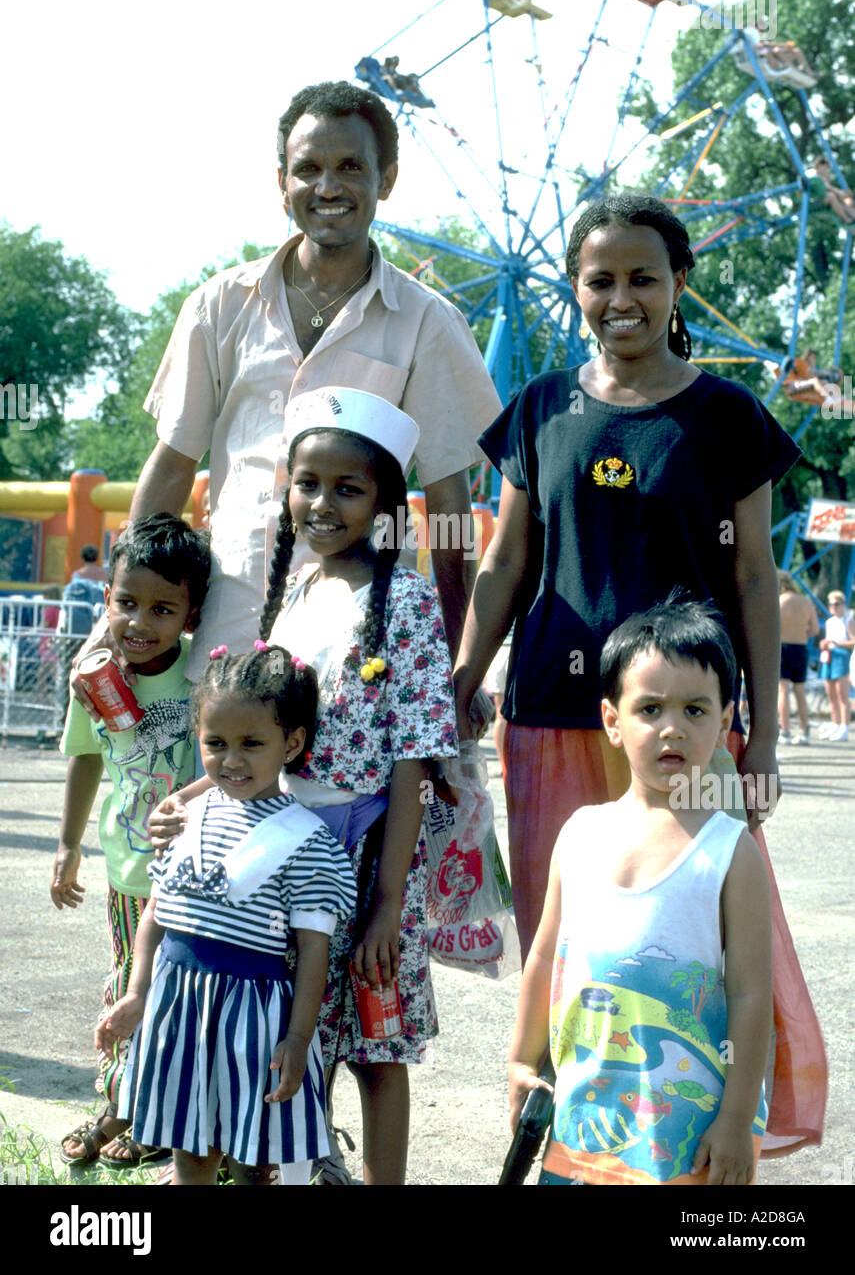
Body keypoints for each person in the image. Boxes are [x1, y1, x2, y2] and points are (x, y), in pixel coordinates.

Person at [454, 192, 825, 1152]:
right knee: (573, 935)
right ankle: (579, 1133)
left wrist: (763, 738)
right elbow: (501, 562)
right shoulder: (540, 408)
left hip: (689, 719)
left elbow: (751, 573)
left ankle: (711, 1131)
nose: (621, 297)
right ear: (575, 287)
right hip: (552, 709)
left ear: (676, 284)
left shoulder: (728, 416)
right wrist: (462, 677)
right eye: (600, 279)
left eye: (642, 277)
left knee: (702, 927)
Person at [152, 388, 458, 1184]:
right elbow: (264, 741)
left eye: (348, 489)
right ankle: (295, 1171)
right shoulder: (293, 594)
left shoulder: (409, 602)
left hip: (367, 856)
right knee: (289, 1028)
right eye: (308, 483)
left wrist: (389, 900)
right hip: (279, 855)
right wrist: (193, 803)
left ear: (385, 503)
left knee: (374, 1044)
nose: (323, 503)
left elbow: (414, 762)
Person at [115, 80, 501, 690]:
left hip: (360, 652)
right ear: (282, 184)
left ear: (387, 179)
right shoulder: (220, 306)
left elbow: (452, 511)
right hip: (229, 632)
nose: (328, 187)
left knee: (355, 791)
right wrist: (115, 624)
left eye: (350, 166)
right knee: (211, 787)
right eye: (308, 169)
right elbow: (171, 467)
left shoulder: (428, 323)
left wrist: (458, 673)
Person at [509, 599, 772, 1185]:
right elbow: (546, 957)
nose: (672, 727)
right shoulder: (578, 834)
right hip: (584, 1129)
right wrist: (521, 1062)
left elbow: (753, 997)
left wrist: (734, 1122)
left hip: (689, 1141)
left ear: (727, 719)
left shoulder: (731, 853)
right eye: (649, 708)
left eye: (695, 709)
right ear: (611, 719)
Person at [95, 645, 356, 1185]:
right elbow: (157, 915)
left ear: (293, 743)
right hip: (178, 1005)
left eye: (251, 744)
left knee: (252, 1156)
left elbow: (313, 950)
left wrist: (299, 1037)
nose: (231, 760)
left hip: (252, 1019)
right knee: (189, 1146)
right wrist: (138, 992)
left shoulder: (307, 841)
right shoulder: (186, 817)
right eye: (215, 743)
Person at [52, 514, 210, 1167]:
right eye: (126, 603)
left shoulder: (204, 686)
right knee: (127, 989)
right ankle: (127, 1107)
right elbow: (85, 761)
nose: (139, 623)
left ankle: (145, 1116)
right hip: (126, 877)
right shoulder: (95, 687)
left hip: (193, 879)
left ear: (191, 614)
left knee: (173, 998)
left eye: (161, 609)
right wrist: (67, 845)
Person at [777, 571, 819, 744]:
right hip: (800, 648)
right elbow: (815, 630)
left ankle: (785, 731)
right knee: (800, 691)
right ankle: (804, 732)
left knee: (783, 690)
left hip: (782, 647)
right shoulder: (806, 602)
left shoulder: (778, 601)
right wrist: (802, 631)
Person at [817, 590, 855, 741]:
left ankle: (844, 727)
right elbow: (827, 639)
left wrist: (836, 643)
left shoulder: (848, 620)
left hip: (841, 656)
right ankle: (835, 723)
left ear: (842, 605)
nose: (833, 607)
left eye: (836, 604)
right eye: (831, 604)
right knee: (831, 694)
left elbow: (853, 641)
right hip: (829, 656)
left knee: (842, 695)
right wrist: (824, 644)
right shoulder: (830, 622)